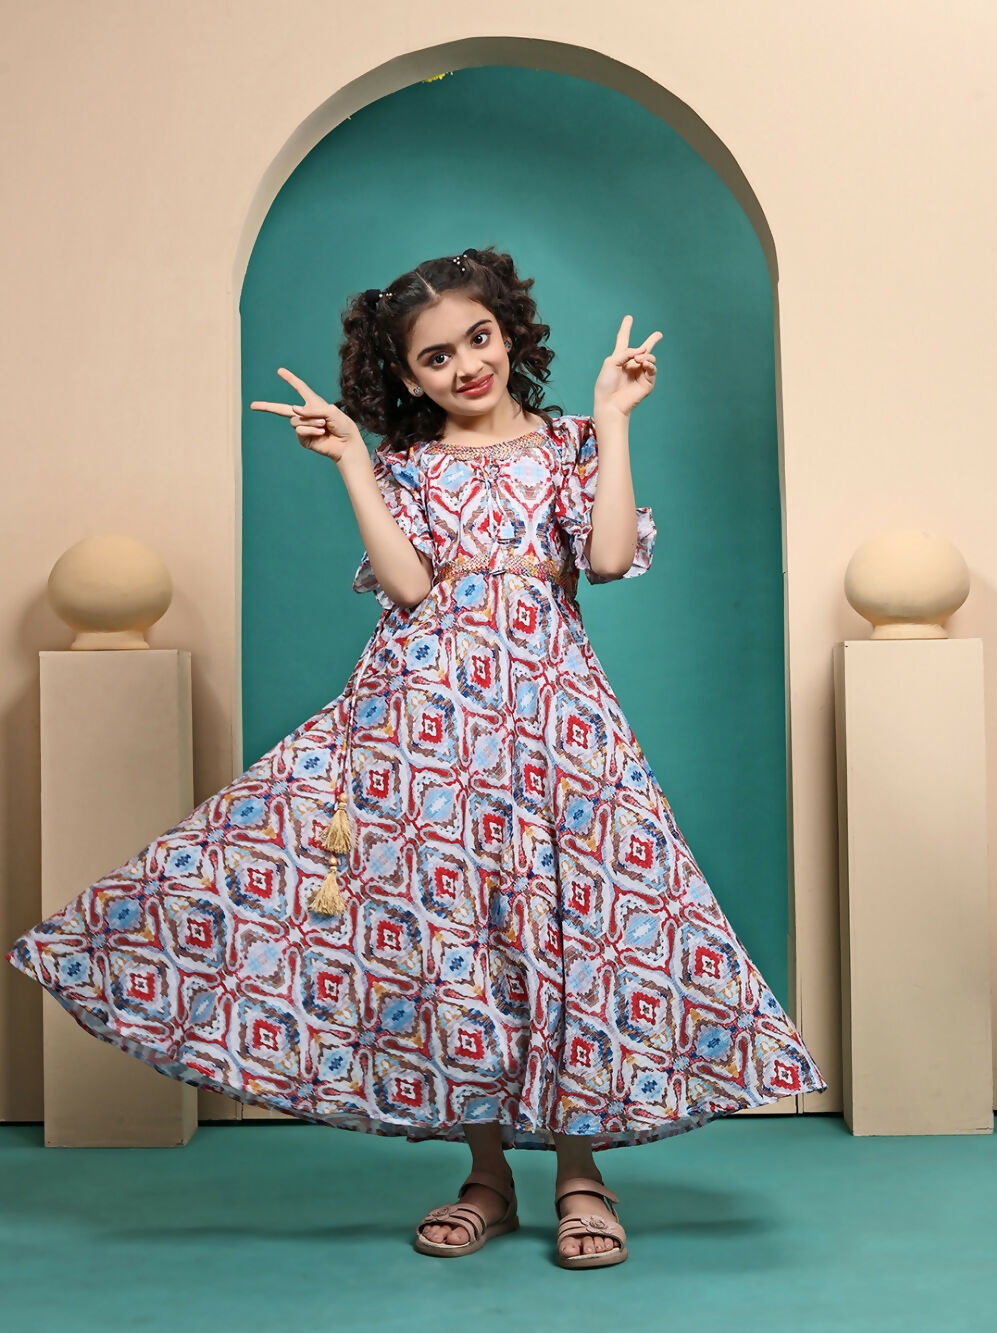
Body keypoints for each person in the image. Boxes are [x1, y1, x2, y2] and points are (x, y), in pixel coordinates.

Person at [6, 244, 827, 1270]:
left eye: (478, 338)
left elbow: (610, 559)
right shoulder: (409, 466)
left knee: (567, 929)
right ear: (406, 375)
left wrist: (614, 420)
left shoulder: (570, 443)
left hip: (555, 727)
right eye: (436, 357)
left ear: (509, 332)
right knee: (451, 938)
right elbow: (407, 588)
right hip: (424, 732)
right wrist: (355, 462)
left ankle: (582, 1174)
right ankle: (487, 1176)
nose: (466, 365)